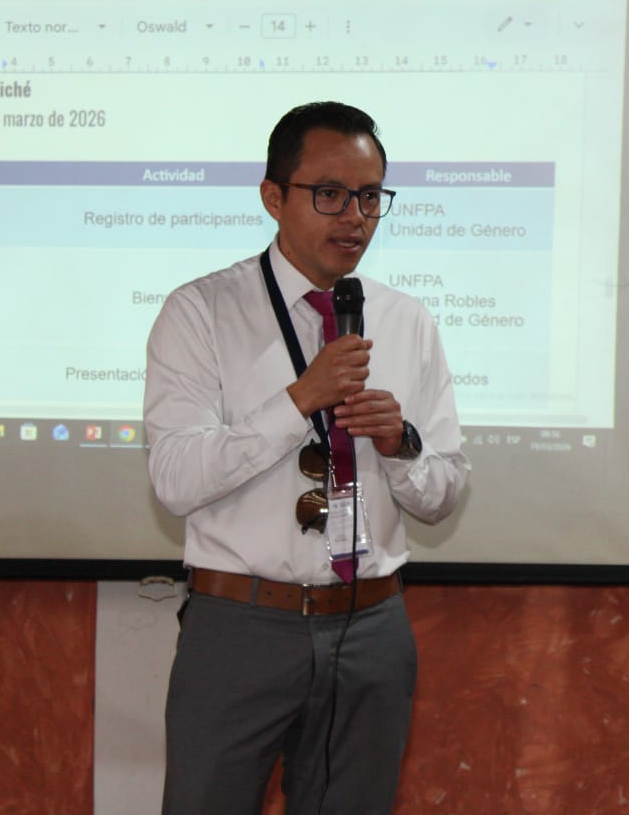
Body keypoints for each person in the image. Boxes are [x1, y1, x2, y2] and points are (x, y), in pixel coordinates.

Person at [144, 102, 469, 813]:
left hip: (373, 627)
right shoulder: (201, 311)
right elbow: (174, 479)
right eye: (329, 194)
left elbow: (444, 492)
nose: (354, 217)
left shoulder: (407, 320)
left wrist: (402, 445)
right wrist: (297, 402)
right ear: (273, 197)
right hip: (240, 626)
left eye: (370, 197)